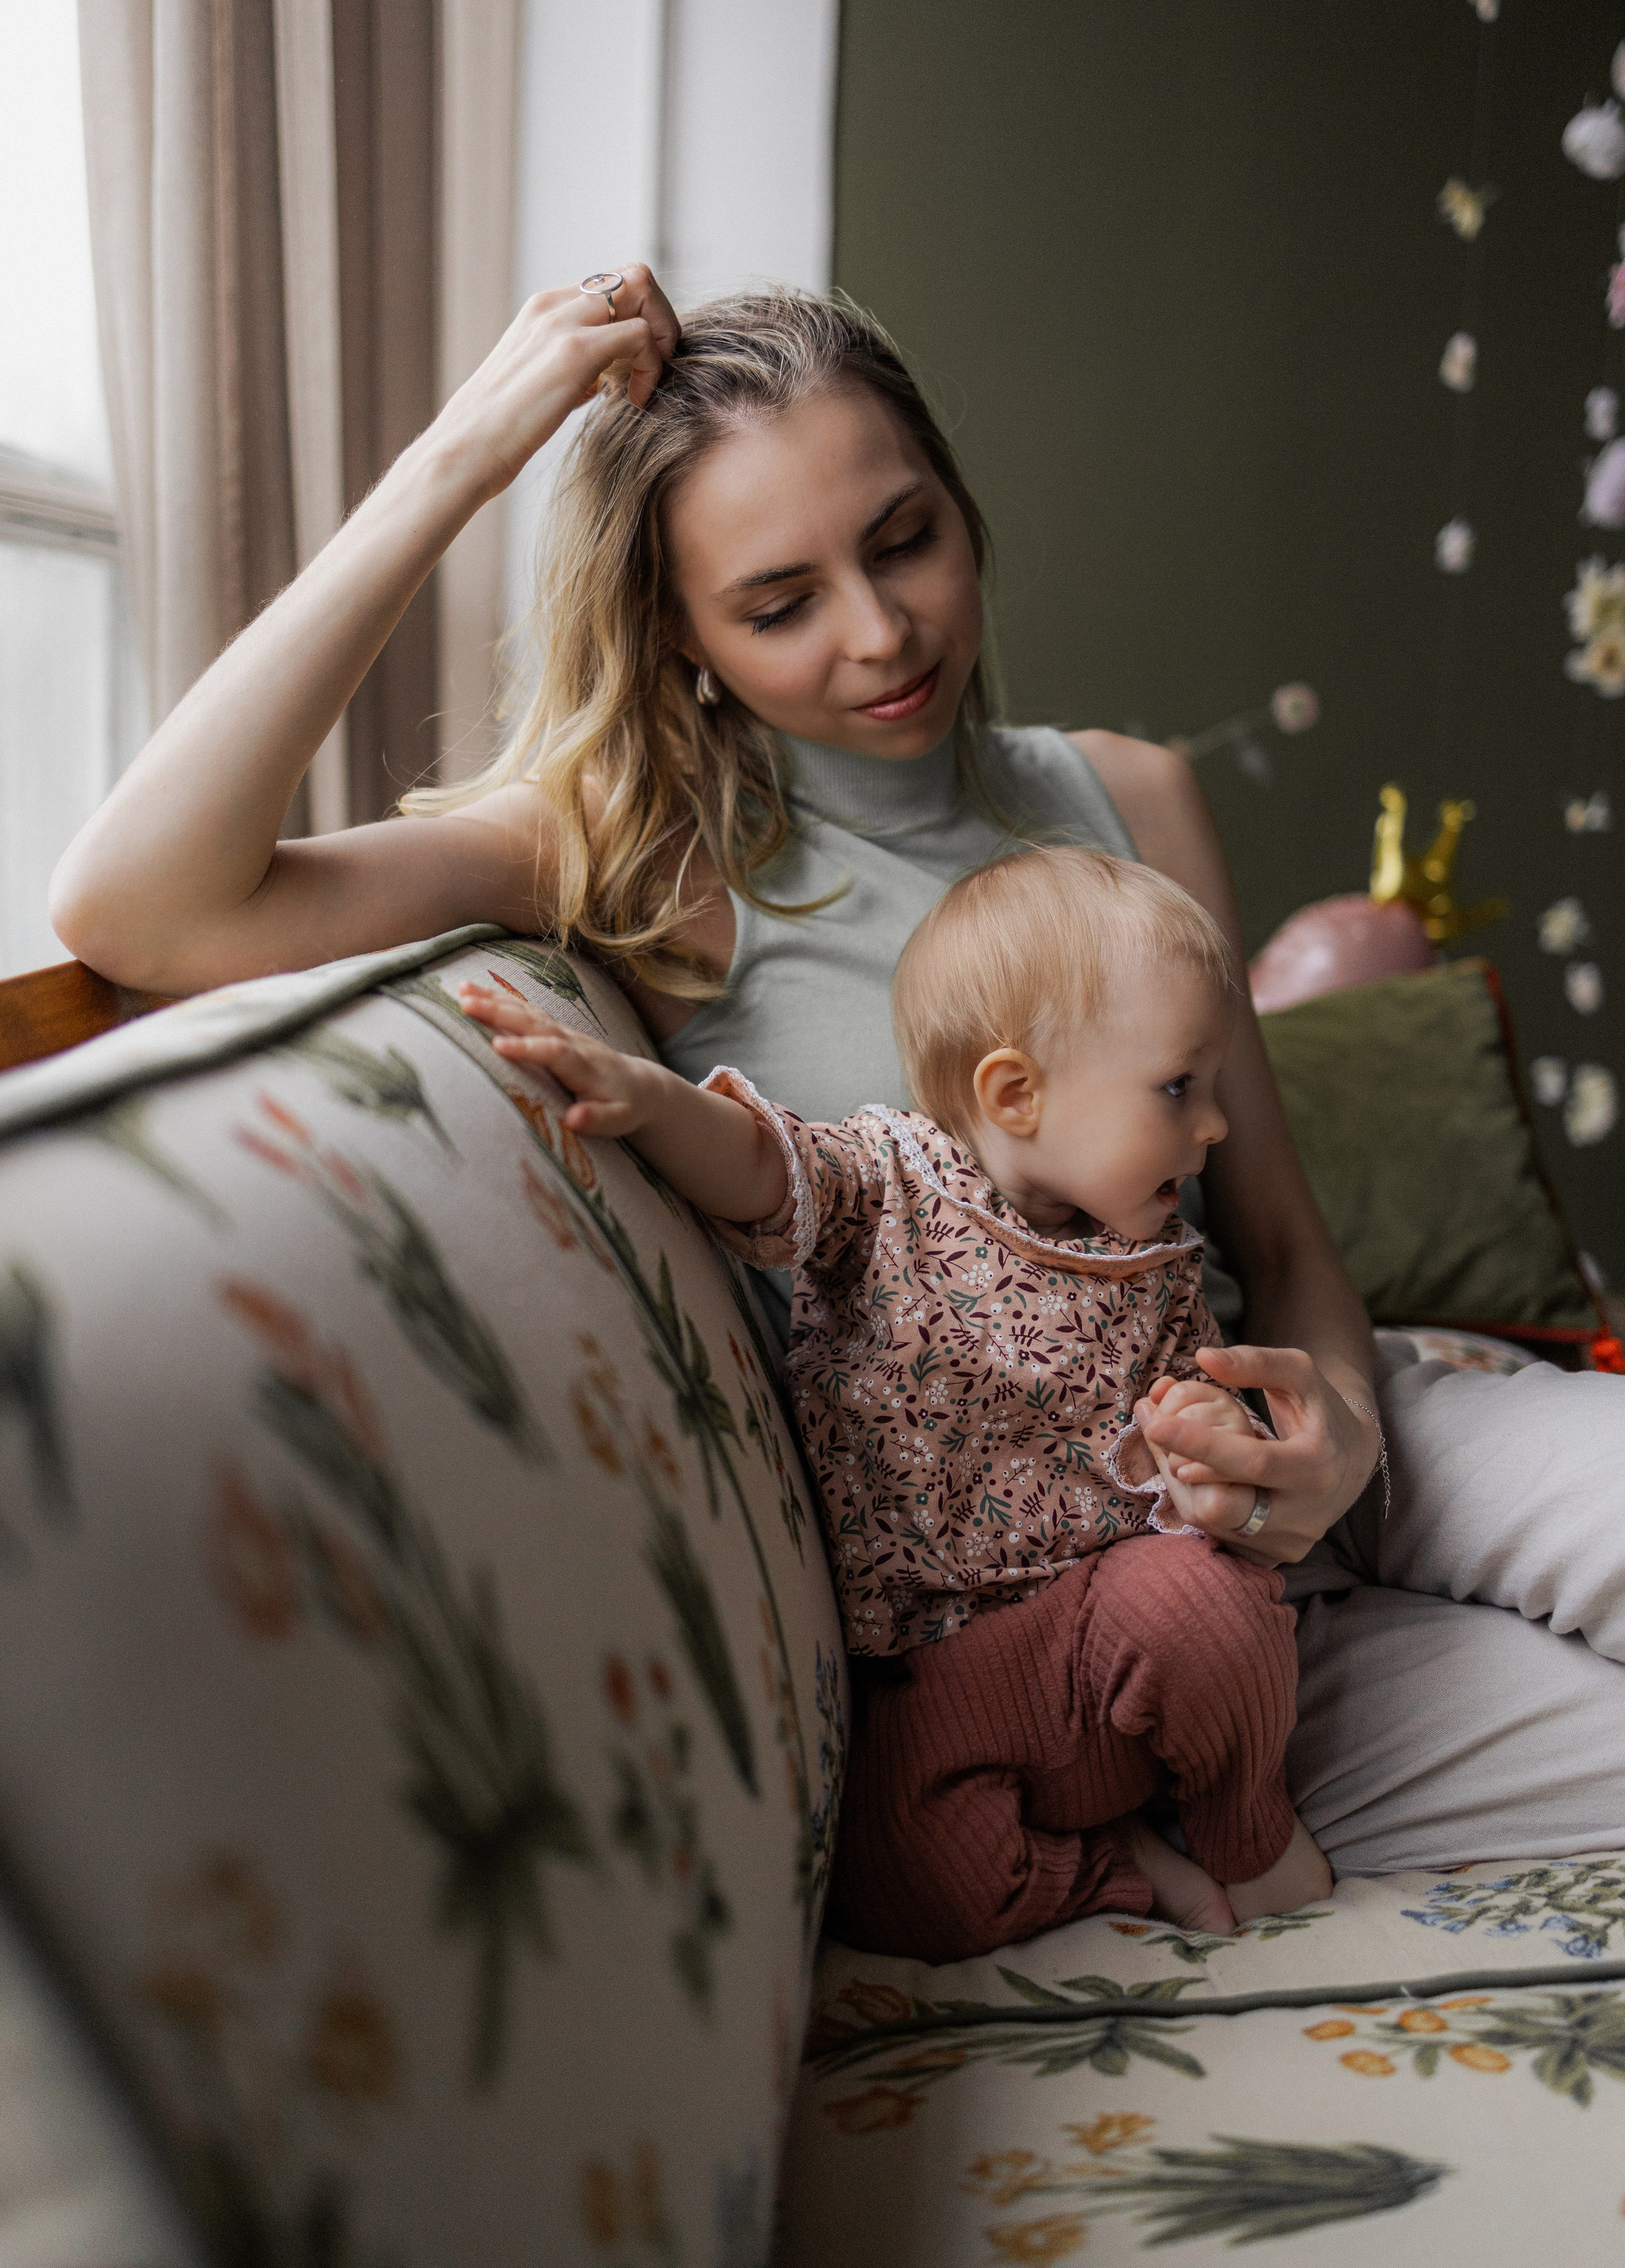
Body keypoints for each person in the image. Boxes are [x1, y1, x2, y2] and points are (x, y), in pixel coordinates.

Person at [50, 270, 1625, 1880]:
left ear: (956, 504)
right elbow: (141, 908)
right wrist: (465, 453)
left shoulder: (1135, 797)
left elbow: (1277, 1239)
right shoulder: (651, 863)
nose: (879, 633)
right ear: (680, 634)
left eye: (902, 539)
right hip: (1092, 1623)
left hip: (1325, 1448)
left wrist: (1337, 1431)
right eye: (778, 604)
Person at [454, 847, 1335, 1958]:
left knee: (1209, 1608)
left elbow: (1208, 1443)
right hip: (943, 1679)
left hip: (1111, 1642)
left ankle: (1246, 1833)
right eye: (1178, 1088)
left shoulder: (1156, 1263)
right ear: (1015, 1094)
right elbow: (762, 1166)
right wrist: (651, 1104)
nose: (1213, 1126)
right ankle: (1120, 1871)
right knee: (897, 1877)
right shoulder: (887, 1184)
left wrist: (1209, 1444)